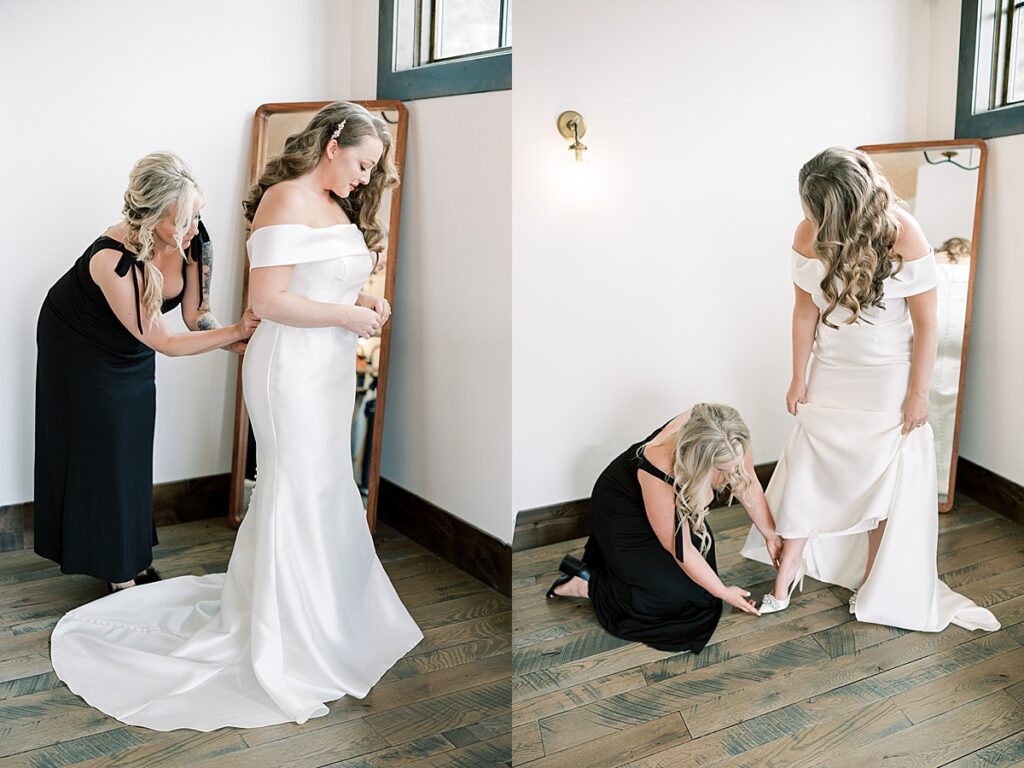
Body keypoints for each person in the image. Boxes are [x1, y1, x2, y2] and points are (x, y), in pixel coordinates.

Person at [48, 102, 422, 731]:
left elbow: (314, 282)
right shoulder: (283, 198)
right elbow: (269, 299)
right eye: (361, 163)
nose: (365, 179)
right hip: (288, 373)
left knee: (325, 483)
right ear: (333, 144)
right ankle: (286, 633)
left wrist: (360, 298)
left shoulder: (337, 206)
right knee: (295, 486)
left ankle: (326, 617)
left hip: (325, 368)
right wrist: (345, 317)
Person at [739, 147, 999, 633]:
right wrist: (798, 375)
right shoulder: (806, 234)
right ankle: (787, 573)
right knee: (809, 466)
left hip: (886, 377)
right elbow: (803, 311)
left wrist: (918, 394)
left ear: (841, 206)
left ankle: (873, 580)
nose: (806, 215)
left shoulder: (904, 232)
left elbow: (927, 324)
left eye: (814, 207)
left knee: (884, 478)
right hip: (831, 368)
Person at [34, 152, 258, 593]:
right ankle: (119, 572)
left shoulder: (194, 238)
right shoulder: (111, 260)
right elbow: (166, 342)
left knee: (131, 445)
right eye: (182, 221)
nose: (193, 229)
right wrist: (236, 331)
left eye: (197, 216)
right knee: (101, 448)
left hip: (132, 347)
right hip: (78, 347)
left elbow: (196, 318)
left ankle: (129, 556)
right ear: (154, 218)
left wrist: (239, 342)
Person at [549, 403, 782, 653]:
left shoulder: (726, 432)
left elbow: (747, 484)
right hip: (623, 509)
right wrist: (724, 592)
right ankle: (588, 583)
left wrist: (770, 535)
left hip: (662, 503)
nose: (732, 475)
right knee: (679, 603)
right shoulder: (661, 463)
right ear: (699, 463)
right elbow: (678, 547)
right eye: (723, 471)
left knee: (700, 586)